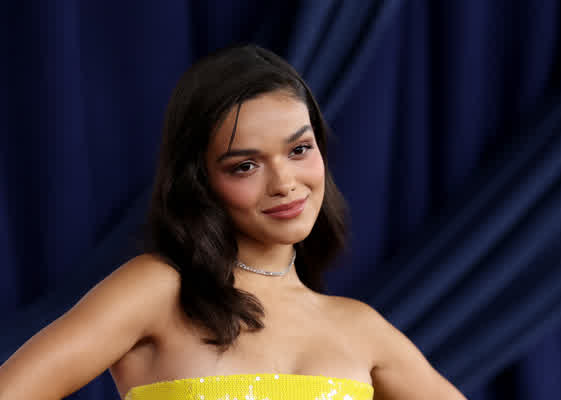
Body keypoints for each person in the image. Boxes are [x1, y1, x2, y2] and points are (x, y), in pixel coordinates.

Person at [0, 44, 466, 400]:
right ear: (200, 181)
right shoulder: (158, 291)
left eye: (299, 149)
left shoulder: (360, 328)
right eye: (245, 165)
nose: (284, 183)